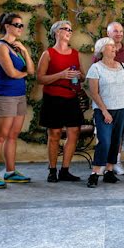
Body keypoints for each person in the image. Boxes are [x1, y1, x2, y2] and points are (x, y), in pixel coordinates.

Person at [0, 12, 35, 189]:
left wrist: (25, 52)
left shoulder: (16, 47)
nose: (20, 28)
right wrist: (23, 74)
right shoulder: (0, 47)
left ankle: (10, 172)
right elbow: (12, 73)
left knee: (13, 135)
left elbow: (31, 69)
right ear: (7, 26)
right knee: (0, 136)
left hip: (19, 95)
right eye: (17, 25)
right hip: (4, 95)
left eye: (22, 25)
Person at [36, 20, 84, 183]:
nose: (69, 32)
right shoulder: (48, 53)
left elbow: (82, 75)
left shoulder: (75, 53)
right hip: (53, 98)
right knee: (54, 134)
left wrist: (79, 76)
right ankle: (52, 170)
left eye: (71, 29)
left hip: (71, 97)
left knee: (73, 133)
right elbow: (40, 78)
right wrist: (61, 75)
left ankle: (65, 170)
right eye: (66, 29)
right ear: (57, 32)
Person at [86, 37, 124, 188]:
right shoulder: (96, 68)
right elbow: (94, 93)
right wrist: (105, 112)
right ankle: (95, 173)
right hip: (103, 110)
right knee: (104, 141)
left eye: (114, 46)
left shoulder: (123, 66)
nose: (114, 48)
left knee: (115, 141)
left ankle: (109, 171)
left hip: (122, 108)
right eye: (110, 46)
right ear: (102, 50)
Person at [95, 21, 124, 176]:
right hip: (104, 105)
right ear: (108, 33)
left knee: (117, 137)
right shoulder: (98, 60)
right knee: (104, 138)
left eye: (121, 31)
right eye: (115, 31)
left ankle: (114, 163)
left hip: (122, 104)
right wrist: (102, 108)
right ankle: (100, 166)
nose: (119, 34)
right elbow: (94, 86)